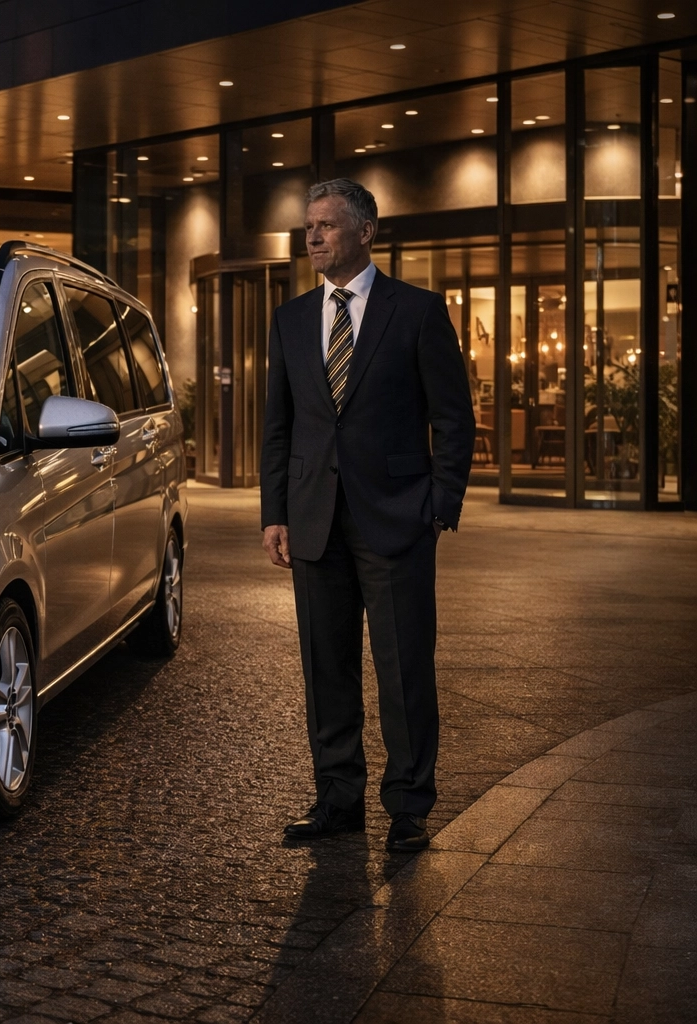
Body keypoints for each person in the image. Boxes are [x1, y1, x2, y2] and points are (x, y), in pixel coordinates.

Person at [260, 179, 474, 853]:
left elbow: (453, 416)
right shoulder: (292, 319)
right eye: (308, 227)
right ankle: (338, 801)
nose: (313, 237)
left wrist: (440, 502)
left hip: (397, 519)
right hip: (315, 519)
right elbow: (279, 425)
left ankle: (409, 808)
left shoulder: (417, 312)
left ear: (366, 231)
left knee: (404, 667)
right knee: (327, 668)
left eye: (325, 225)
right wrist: (276, 512)